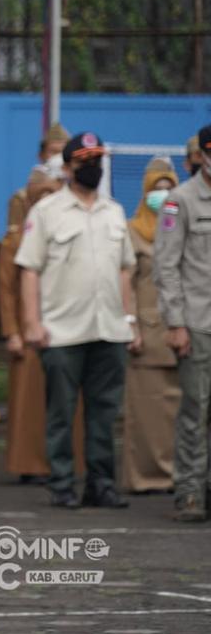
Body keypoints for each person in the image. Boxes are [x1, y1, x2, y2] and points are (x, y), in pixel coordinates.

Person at [18, 131, 138, 509]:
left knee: (104, 414)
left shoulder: (114, 211)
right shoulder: (47, 211)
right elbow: (29, 270)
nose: (93, 168)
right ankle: (63, 483)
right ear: (69, 167)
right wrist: (32, 323)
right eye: (85, 161)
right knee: (61, 414)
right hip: (62, 331)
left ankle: (101, 484)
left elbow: (125, 271)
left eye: (97, 160)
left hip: (110, 328)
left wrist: (130, 319)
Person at [0, 164, 77, 483]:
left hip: (67, 327)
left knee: (65, 401)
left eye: (52, 193)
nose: (46, 199)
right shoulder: (17, 238)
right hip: (29, 331)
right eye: (41, 193)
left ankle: (66, 463)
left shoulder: (68, 232)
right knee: (28, 405)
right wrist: (12, 332)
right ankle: (29, 465)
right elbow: (6, 289)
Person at [156, 125, 211, 522]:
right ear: (202, 156)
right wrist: (176, 322)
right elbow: (167, 266)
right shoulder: (181, 201)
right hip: (198, 322)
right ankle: (190, 492)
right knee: (196, 411)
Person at [122, 157, 180, 494]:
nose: (162, 194)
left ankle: (182, 476)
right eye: (156, 188)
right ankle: (146, 477)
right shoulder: (133, 230)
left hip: (184, 328)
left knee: (183, 413)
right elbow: (125, 281)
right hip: (147, 330)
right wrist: (131, 325)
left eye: (168, 187)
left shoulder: (184, 223)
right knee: (145, 412)